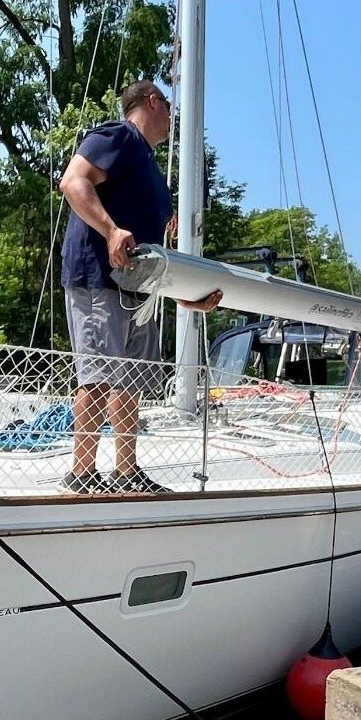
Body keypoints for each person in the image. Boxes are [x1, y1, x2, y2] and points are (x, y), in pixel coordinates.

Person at [59, 80, 221, 494]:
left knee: (129, 380)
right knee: (98, 375)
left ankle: (126, 473)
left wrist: (185, 297)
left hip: (137, 290)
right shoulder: (117, 136)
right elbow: (74, 183)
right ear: (153, 102)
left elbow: (155, 254)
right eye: (167, 106)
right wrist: (111, 231)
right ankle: (81, 475)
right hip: (98, 278)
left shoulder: (150, 168)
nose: (171, 115)